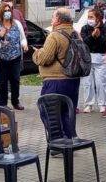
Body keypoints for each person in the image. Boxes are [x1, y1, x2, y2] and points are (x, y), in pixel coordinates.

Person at [33, 8, 80, 136]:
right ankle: (70, 139)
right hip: (73, 78)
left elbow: (45, 58)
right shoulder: (75, 33)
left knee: (49, 112)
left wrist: (37, 53)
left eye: (53, 17)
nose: (52, 20)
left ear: (58, 20)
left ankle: (57, 141)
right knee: (68, 110)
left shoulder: (55, 35)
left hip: (55, 81)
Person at [0, 1, 27, 109]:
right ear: (1, 12)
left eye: (9, 10)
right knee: (2, 81)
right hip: (2, 58)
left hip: (15, 57)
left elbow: (22, 38)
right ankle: (2, 103)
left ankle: (15, 101)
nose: (7, 12)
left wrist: (24, 45)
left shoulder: (17, 23)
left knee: (15, 80)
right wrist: (1, 41)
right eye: (5, 11)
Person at [79, 7, 106, 113]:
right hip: (88, 58)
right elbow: (85, 42)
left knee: (101, 82)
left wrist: (99, 36)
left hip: (101, 58)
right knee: (88, 83)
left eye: (91, 17)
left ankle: (102, 103)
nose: (89, 19)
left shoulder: (105, 28)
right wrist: (92, 36)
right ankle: (88, 104)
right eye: (88, 17)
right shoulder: (85, 28)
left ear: (98, 18)